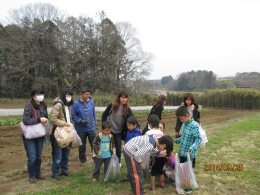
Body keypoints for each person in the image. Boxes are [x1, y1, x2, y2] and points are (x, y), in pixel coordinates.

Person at [22, 87, 48, 183]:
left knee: (38, 156)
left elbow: (46, 117)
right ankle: (31, 175)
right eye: (38, 94)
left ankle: (38, 174)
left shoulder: (43, 105)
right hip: (30, 136)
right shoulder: (29, 106)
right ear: (33, 96)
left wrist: (45, 120)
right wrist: (38, 120)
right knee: (32, 157)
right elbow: (25, 120)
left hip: (40, 134)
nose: (41, 96)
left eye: (42, 94)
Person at [102, 91, 134, 163]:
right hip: (109, 131)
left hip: (119, 132)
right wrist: (105, 126)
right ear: (119, 98)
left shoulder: (127, 109)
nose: (124, 99)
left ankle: (118, 162)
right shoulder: (112, 105)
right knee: (108, 147)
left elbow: (132, 119)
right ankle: (108, 162)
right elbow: (104, 115)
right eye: (122, 97)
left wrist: (137, 127)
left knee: (118, 149)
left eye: (125, 98)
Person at [175, 106, 201, 194]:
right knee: (183, 170)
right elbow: (184, 137)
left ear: (187, 115)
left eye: (181, 119)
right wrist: (177, 140)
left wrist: (192, 148)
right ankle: (183, 186)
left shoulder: (194, 125)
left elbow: (198, 139)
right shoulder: (185, 124)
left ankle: (188, 188)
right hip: (182, 152)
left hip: (190, 154)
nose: (181, 121)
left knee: (188, 171)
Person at [49, 88, 74, 179]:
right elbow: (52, 119)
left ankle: (64, 170)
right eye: (67, 95)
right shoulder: (58, 105)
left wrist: (71, 124)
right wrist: (65, 123)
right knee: (58, 154)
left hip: (66, 132)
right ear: (63, 95)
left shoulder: (68, 106)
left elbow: (68, 118)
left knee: (66, 153)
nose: (69, 97)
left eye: (70, 95)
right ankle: (55, 173)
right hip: (58, 133)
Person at [71, 86, 97, 165]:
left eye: (89, 94)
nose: (88, 96)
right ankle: (83, 161)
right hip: (81, 129)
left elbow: (94, 113)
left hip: (91, 128)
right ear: (81, 94)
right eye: (86, 94)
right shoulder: (76, 104)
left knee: (95, 144)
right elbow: (73, 116)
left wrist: (94, 123)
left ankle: (96, 159)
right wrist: (80, 121)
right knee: (82, 146)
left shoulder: (91, 102)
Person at [145, 115, 167, 190]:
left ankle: (153, 186)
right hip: (163, 155)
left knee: (152, 171)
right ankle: (162, 183)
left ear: (150, 124)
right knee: (161, 170)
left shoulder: (148, 133)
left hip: (154, 155)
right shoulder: (161, 133)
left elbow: (146, 144)